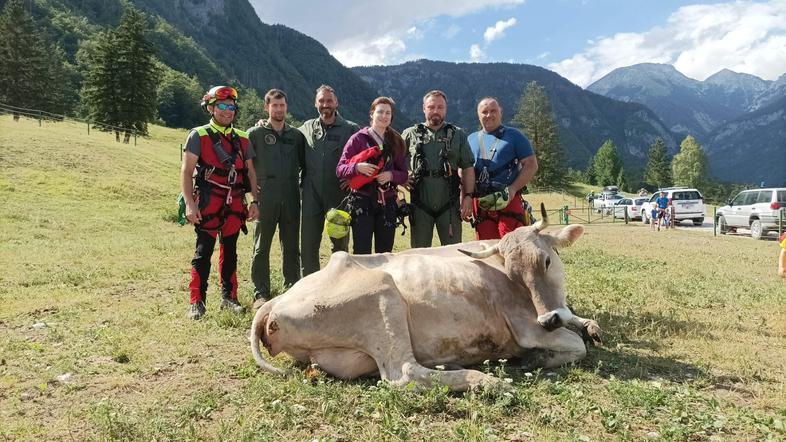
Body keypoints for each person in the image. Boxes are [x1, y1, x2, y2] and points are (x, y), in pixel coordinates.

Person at [181, 86, 259, 320]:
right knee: (203, 251)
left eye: (231, 107)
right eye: (222, 106)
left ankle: (229, 298)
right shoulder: (199, 135)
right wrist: (189, 204)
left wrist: (255, 200)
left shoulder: (243, 138)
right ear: (211, 108)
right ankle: (197, 302)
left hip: (235, 202)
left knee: (231, 251)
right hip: (208, 200)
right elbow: (186, 172)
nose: (227, 111)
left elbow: (252, 172)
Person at [247, 89, 305, 305]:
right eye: (274, 106)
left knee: (291, 245)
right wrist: (253, 196)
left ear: (286, 107)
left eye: (282, 105)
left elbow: (305, 165)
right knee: (261, 246)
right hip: (266, 196)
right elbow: (247, 167)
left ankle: (291, 288)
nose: (279, 109)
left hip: (290, 195)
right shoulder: (255, 133)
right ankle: (260, 292)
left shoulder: (296, 136)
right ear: (267, 107)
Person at [298, 85, 360, 276]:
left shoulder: (351, 129)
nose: (326, 104)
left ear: (336, 103)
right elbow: (282, 135)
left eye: (329, 101)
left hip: (339, 194)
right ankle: (308, 286)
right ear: (316, 103)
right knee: (308, 243)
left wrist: (353, 180)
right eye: (321, 101)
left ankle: (340, 283)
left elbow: (362, 158)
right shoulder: (304, 129)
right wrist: (260, 124)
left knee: (340, 244)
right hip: (311, 193)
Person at [402, 90, 475, 248]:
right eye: (431, 107)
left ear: (446, 109)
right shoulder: (410, 134)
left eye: (440, 107)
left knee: (453, 253)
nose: (436, 110)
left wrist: (468, 196)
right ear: (424, 108)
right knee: (419, 256)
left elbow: (468, 167)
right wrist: (401, 179)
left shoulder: (458, 135)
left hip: (449, 205)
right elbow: (393, 161)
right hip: (420, 205)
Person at [336, 97, 408, 254]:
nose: (384, 116)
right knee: (362, 252)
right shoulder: (357, 139)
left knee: (385, 253)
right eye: (380, 111)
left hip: (387, 202)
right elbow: (340, 169)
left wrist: (391, 175)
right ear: (371, 114)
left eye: (388, 113)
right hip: (362, 201)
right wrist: (357, 167)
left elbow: (403, 175)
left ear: (392, 116)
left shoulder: (397, 142)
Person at [468, 97, 539, 240]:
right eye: (484, 112)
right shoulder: (470, 139)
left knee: (513, 245)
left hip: (508, 200)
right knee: (486, 246)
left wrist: (513, 189)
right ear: (478, 115)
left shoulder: (515, 136)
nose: (489, 115)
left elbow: (531, 165)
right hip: (481, 203)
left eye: (493, 110)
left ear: (500, 112)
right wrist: (465, 197)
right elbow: (463, 171)